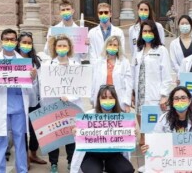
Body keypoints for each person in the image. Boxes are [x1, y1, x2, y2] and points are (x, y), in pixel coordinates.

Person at [0, 28, 36, 173]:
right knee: (0, 141)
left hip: (18, 107)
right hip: (1, 107)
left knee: (20, 140)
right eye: (6, 39)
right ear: (1, 41)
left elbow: (30, 89)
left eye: (12, 39)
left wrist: (33, 78)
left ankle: (22, 170)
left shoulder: (23, 62)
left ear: (16, 42)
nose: (9, 42)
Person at [43, 34, 84, 172]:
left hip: (71, 105)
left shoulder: (76, 65)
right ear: (54, 47)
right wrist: (57, 94)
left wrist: (69, 97)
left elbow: (80, 87)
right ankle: (53, 163)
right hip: (53, 105)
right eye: (59, 45)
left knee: (71, 134)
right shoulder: (48, 65)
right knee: (54, 134)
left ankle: (71, 161)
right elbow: (45, 86)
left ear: (69, 48)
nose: (62, 48)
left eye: (64, 46)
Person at [70, 85, 135, 173]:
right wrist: (76, 132)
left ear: (115, 99)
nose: (107, 100)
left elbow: (131, 140)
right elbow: (80, 139)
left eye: (110, 97)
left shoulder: (122, 117)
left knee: (127, 170)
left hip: (113, 156)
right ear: (99, 99)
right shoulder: (88, 116)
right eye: (104, 98)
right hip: (92, 155)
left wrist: (131, 132)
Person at [133, 19, 172, 145]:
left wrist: (164, 96)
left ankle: (153, 148)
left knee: (153, 127)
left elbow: (166, 75)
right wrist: (132, 93)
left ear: (155, 33)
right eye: (145, 31)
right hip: (140, 94)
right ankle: (144, 141)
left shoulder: (161, 50)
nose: (147, 33)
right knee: (141, 124)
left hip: (154, 95)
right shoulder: (138, 51)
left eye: (150, 31)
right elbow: (133, 73)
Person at [15, 31, 47, 169]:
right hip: (19, 101)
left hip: (35, 100)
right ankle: (24, 157)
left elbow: (41, 80)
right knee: (22, 131)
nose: (26, 45)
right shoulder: (14, 60)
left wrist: (33, 78)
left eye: (29, 43)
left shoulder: (36, 61)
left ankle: (33, 154)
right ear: (18, 43)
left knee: (35, 130)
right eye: (24, 42)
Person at [91, 35, 132, 112]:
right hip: (103, 100)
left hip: (119, 100)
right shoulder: (99, 62)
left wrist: (127, 103)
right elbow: (94, 81)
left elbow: (129, 84)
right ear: (106, 46)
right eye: (110, 44)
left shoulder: (124, 62)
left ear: (118, 47)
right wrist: (93, 100)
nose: (112, 47)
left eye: (115, 45)